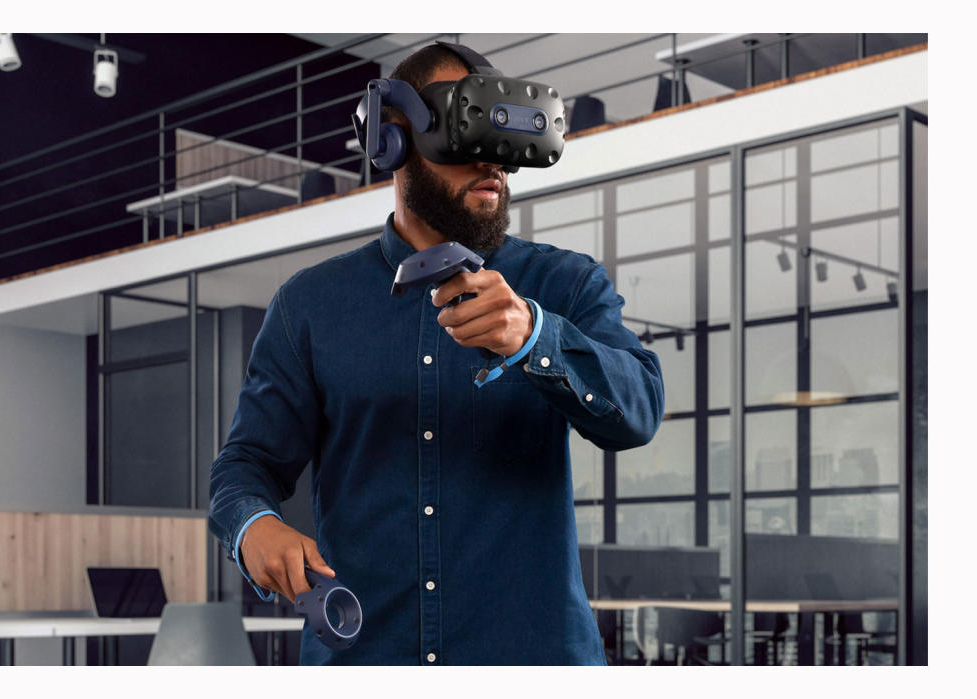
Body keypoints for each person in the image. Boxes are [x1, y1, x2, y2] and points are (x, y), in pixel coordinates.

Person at [208, 43, 664, 665]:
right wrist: (251, 526)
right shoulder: (308, 306)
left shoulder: (566, 285)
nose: (492, 163)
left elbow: (639, 411)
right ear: (393, 139)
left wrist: (536, 338)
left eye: (503, 143)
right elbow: (245, 466)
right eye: (465, 129)